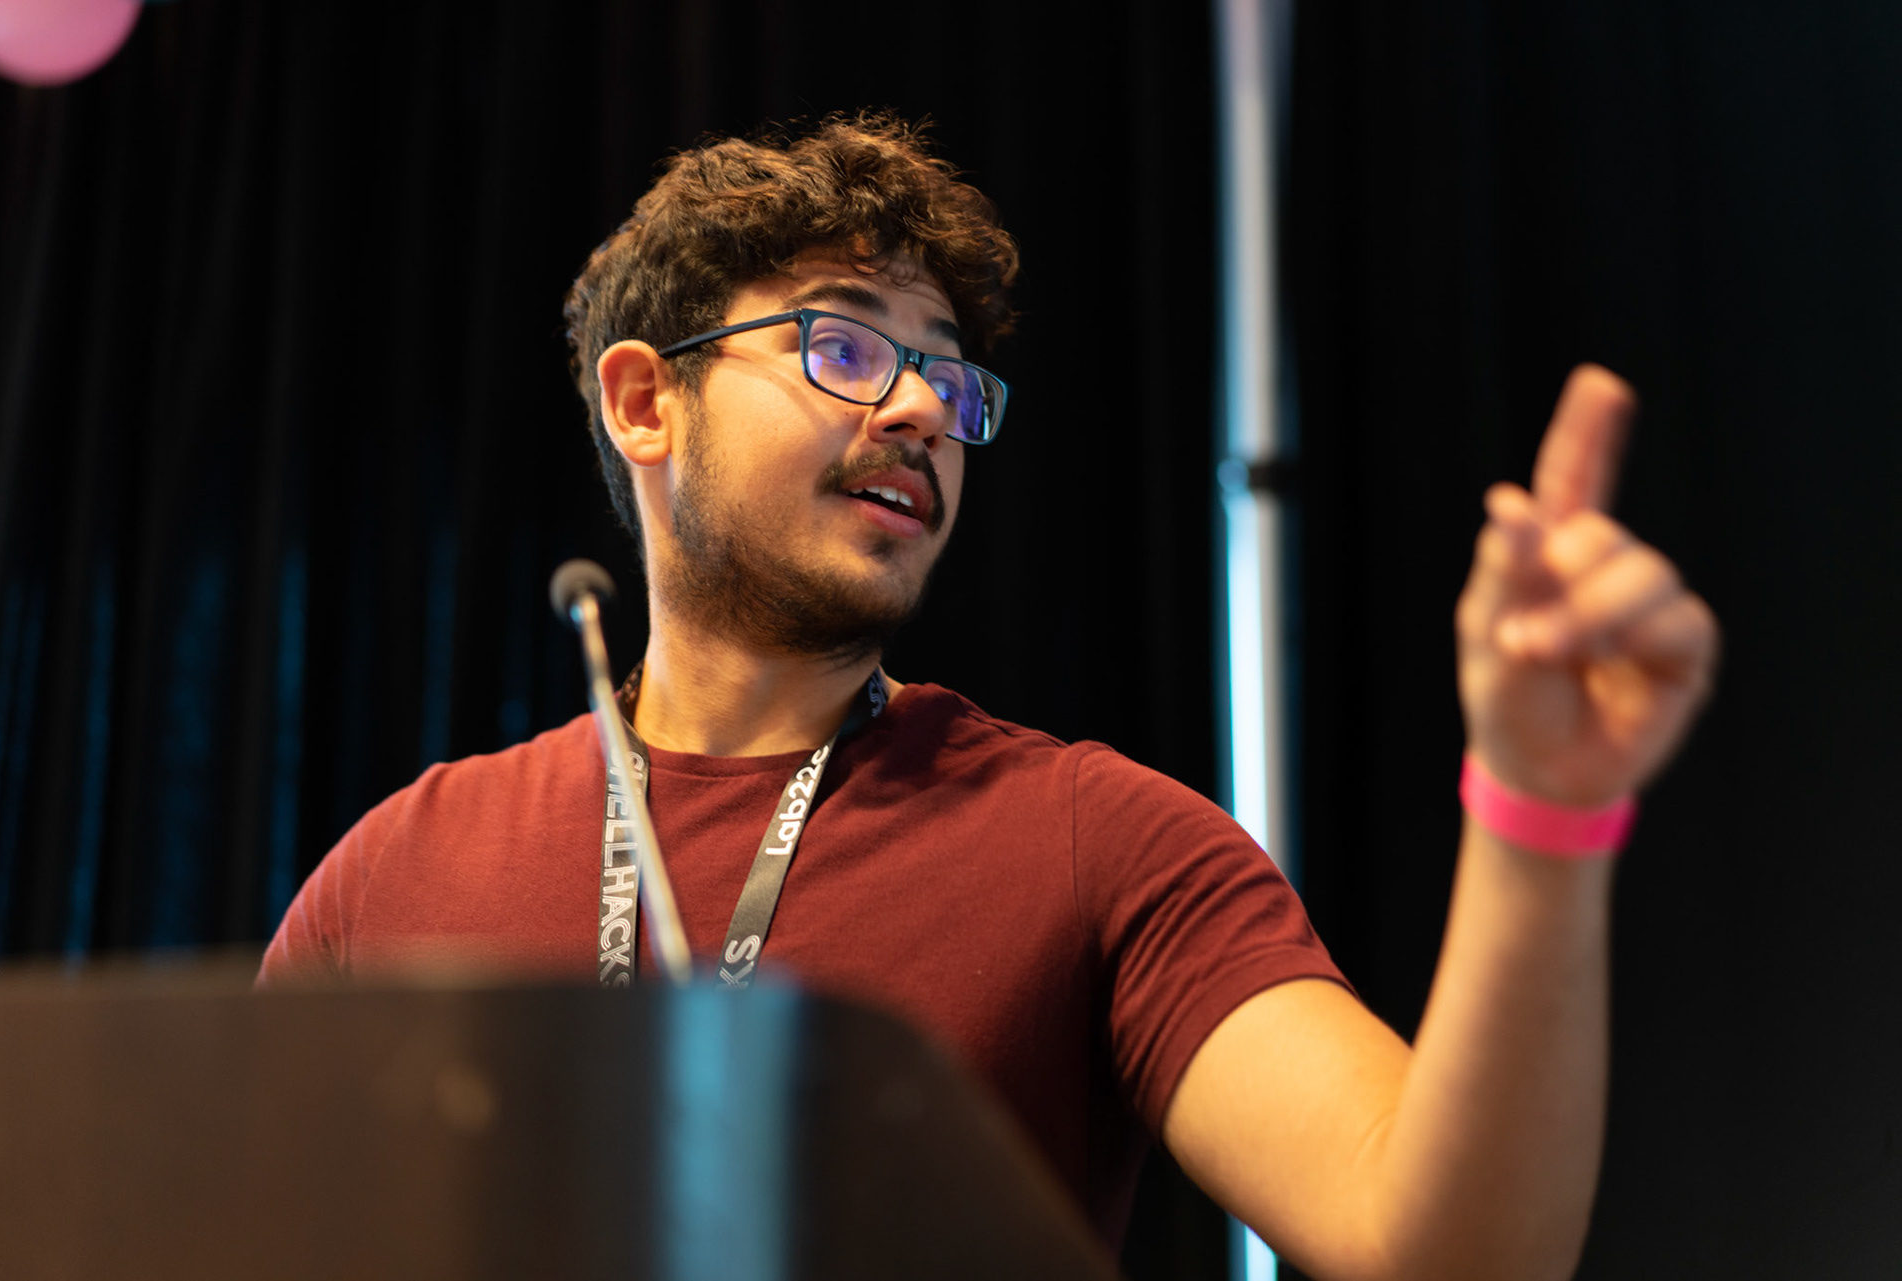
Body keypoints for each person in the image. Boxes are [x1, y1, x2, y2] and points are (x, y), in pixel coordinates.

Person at [260, 114, 1718, 1279]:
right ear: (646, 402)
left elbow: (1446, 1250)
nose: (917, 413)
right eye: (842, 346)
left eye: (950, 386)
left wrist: (1542, 810)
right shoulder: (392, 872)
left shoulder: (1098, 839)